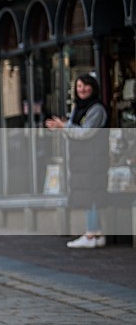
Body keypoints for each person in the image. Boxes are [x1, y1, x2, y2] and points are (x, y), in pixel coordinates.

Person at [46, 73, 109, 248]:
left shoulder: (96, 108)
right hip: (82, 160)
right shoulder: (78, 108)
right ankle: (95, 233)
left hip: (93, 159)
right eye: (79, 86)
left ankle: (92, 235)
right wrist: (63, 127)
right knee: (87, 195)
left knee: (93, 195)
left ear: (93, 87)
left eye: (86, 86)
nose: (82, 89)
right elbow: (74, 131)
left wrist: (64, 126)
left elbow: (85, 132)